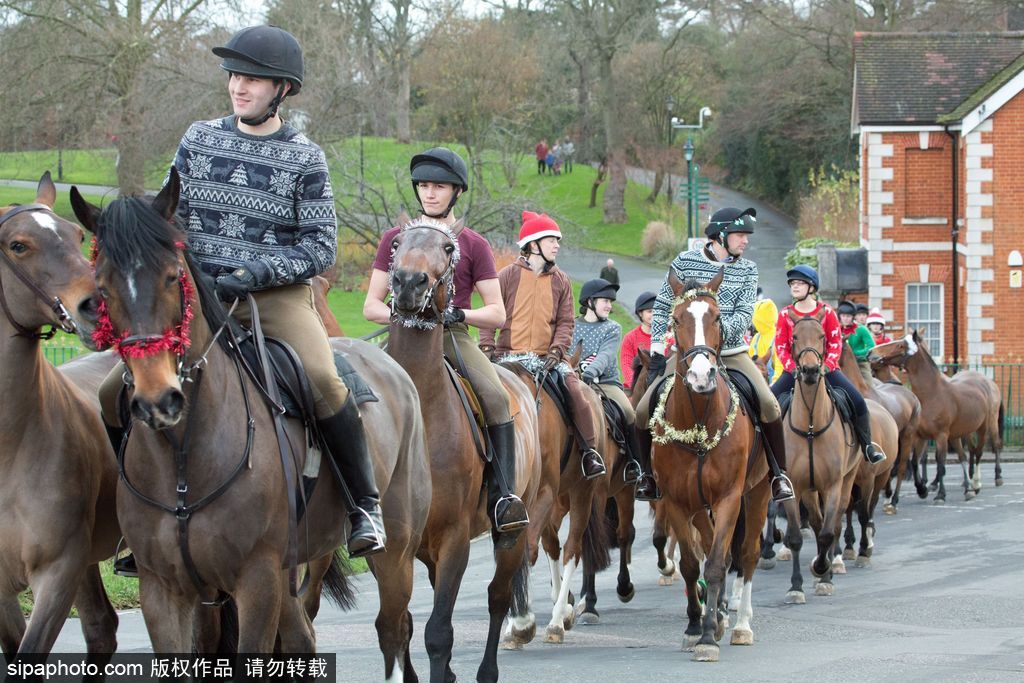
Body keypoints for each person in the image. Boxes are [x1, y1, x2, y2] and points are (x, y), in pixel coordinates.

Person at [102, 26, 385, 576]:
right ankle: (135, 522)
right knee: (113, 388)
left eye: (251, 78)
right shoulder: (198, 138)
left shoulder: (305, 157)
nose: (238, 86)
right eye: (234, 75)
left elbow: (320, 245)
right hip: (197, 298)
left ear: (282, 88)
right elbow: (169, 215)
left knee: (324, 379)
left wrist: (257, 269)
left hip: (275, 299)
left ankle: (363, 506)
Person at [363, 147, 530, 544]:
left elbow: (496, 312)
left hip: (452, 336)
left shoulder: (472, 244)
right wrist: (405, 315)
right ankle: (356, 500)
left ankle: (503, 497)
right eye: (423, 186)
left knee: (494, 396)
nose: (429, 194)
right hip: (403, 334)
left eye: (438, 186)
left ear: (456, 192)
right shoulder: (394, 239)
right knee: (359, 397)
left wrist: (459, 316)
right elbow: (371, 305)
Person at [640, 207, 794, 503]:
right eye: (739, 235)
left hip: (731, 351)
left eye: (746, 236)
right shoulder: (684, 262)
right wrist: (658, 348)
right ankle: (648, 476)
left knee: (770, 405)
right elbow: (662, 307)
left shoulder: (748, 269)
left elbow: (744, 314)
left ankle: (778, 474)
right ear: (720, 236)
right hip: (686, 353)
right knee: (642, 410)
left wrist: (713, 335)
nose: (745, 241)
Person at [480, 211, 607, 480]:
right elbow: (490, 315)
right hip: (505, 358)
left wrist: (556, 351)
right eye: (552, 239)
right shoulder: (505, 276)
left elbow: (565, 323)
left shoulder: (562, 280)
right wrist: (487, 347)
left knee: (576, 391)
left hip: (547, 358)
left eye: (557, 240)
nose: (557, 245)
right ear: (534, 244)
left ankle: (589, 452)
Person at [772, 266, 886, 465]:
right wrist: (791, 367)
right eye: (792, 284)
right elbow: (781, 344)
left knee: (858, 401)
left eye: (799, 283)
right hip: (794, 372)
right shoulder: (785, 314)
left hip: (826, 370)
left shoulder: (827, 313)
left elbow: (835, 343)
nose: (794, 287)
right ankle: (767, 456)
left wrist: (828, 365)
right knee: (768, 404)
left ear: (811, 287)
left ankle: (867, 446)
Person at [572, 279, 644, 487]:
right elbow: (568, 353)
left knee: (629, 413)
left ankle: (634, 463)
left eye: (611, 302)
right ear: (590, 301)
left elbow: (605, 355)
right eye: (605, 301)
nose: (610, 306)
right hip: (575, 381)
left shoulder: (613, 328)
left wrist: (589, 371)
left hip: (606, 383)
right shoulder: (572, 326)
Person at [837, 300, 875, 385]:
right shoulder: (836, 330)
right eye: (843, 316)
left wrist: (854, 353)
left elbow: (871, 347)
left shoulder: (861, 329)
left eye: (848, 316)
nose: (846, 318)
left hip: (860, 363)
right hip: (840, 363)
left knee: (869, 386)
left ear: (853, 317)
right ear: (840, 317)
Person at [749, 298, 783, 384]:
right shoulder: (756, 337)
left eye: (756, 320)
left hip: (773, 383)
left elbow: (780, 367)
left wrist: (774, 385)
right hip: (756, 381)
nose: (754, 323)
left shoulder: (778, 337)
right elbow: (749, 362)